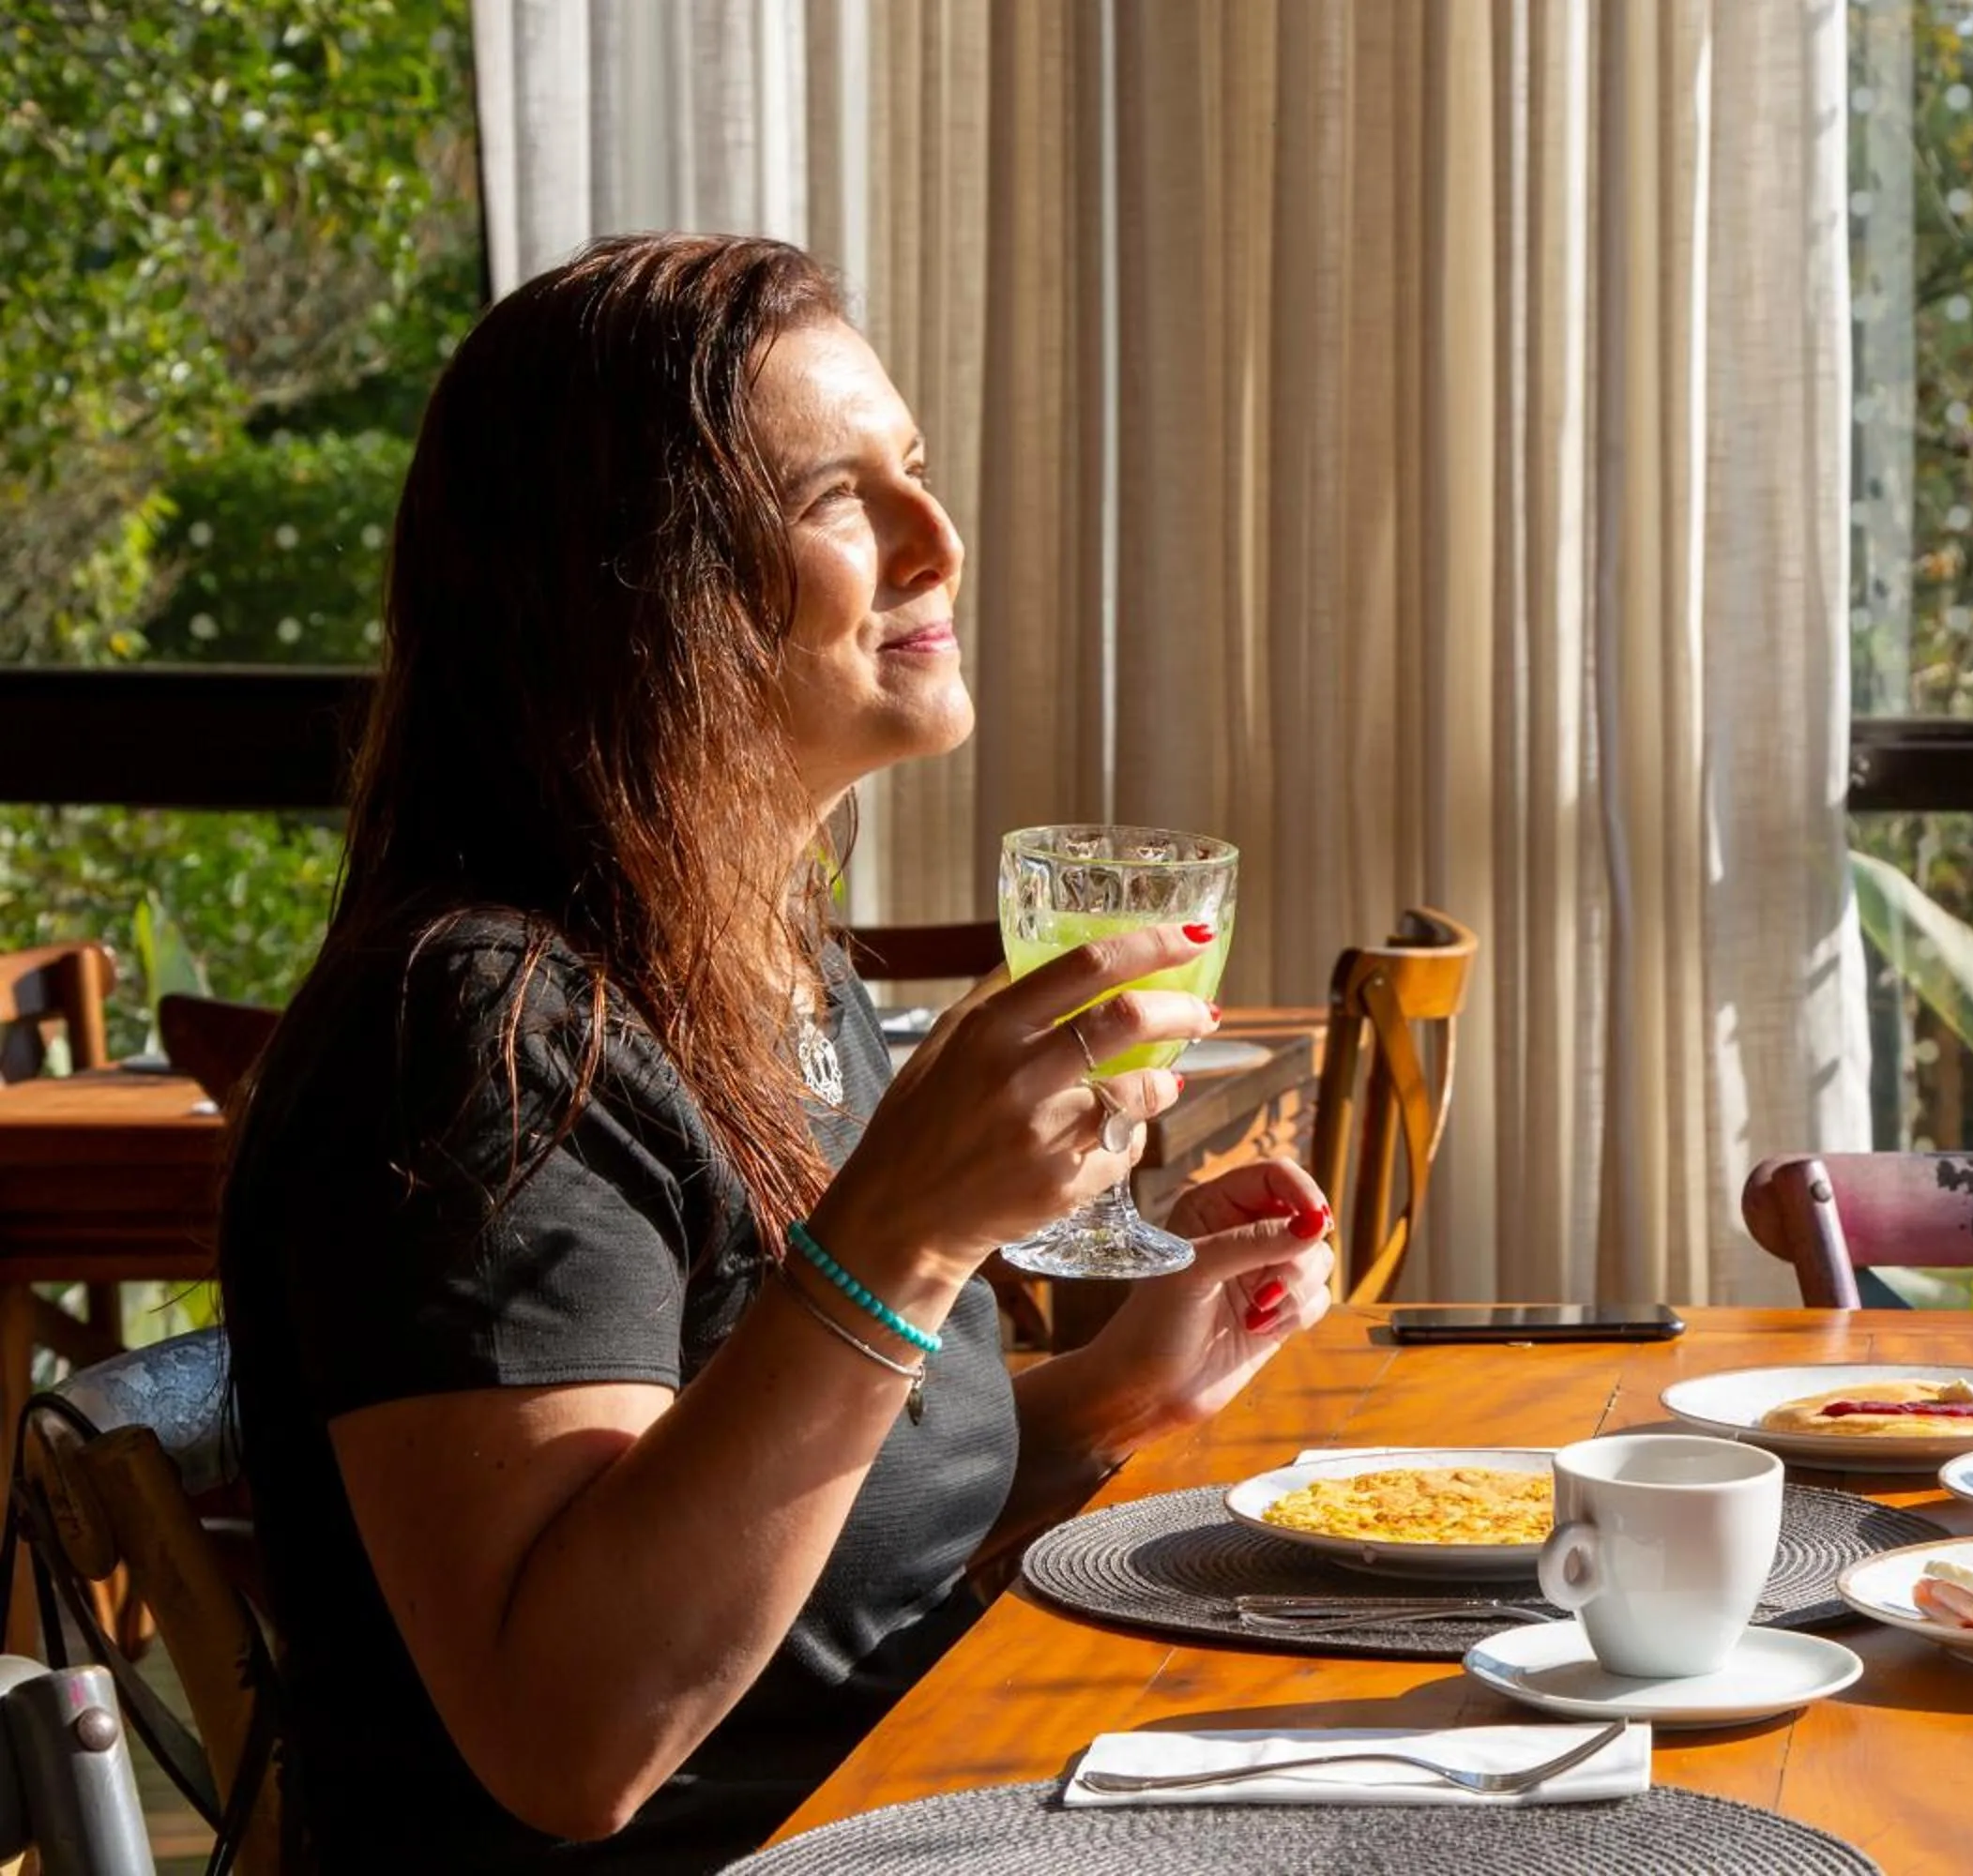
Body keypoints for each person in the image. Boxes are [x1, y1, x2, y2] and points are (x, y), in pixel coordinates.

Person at [217, 232, 1337, 1873]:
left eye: (920, 472)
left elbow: (811, 1528)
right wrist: (906, 1232)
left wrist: (1106, 1393)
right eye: (836, 498)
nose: (936, 539)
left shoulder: (756, 962)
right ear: (635, 578)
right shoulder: (487, 1037)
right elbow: (569, 1736)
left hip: (914, 1804)